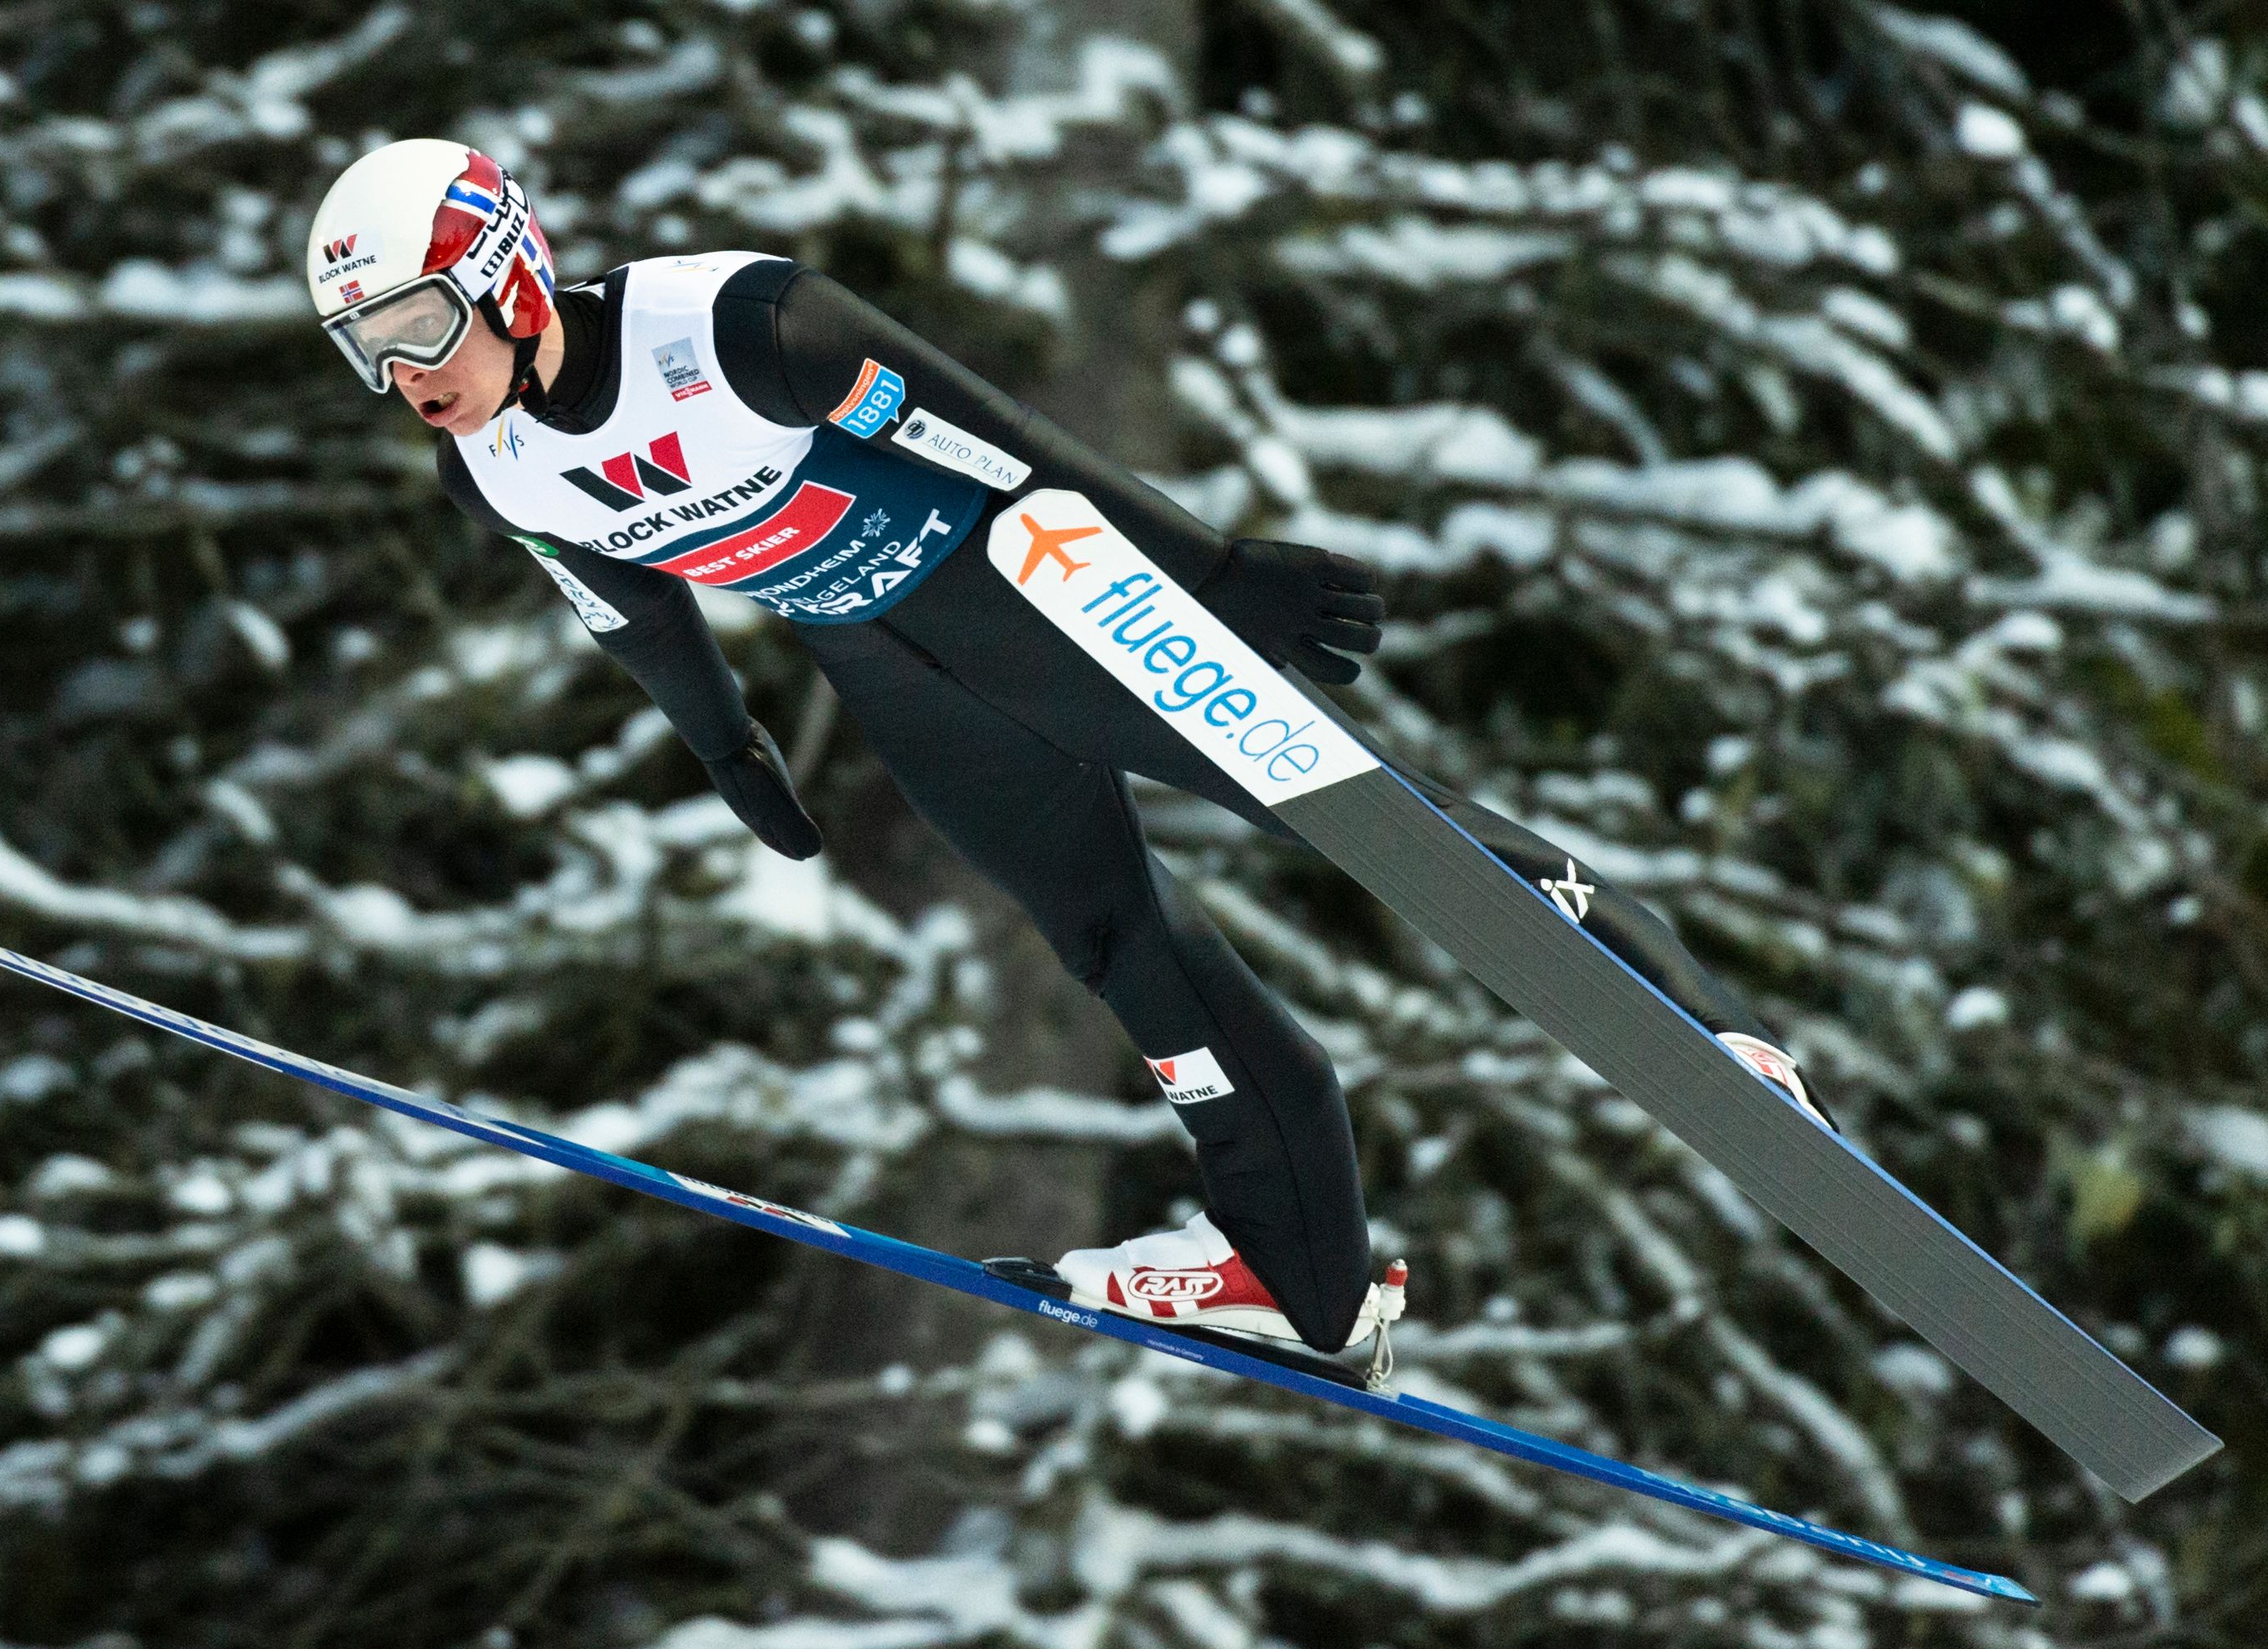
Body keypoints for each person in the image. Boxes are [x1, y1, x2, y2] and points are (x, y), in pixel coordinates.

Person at [305, 140, 1831, 1353]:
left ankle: (1707, 1029)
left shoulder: (742, 328)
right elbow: (630, 612)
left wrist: (1209, 569)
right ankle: (1299, 1278)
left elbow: (1001, 442)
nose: (403, 376)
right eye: (363, 350)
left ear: (508, 275)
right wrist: (726, 749)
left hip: (1044, 600)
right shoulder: (492, 471)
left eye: (416, 325)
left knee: (1363, 821)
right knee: (1118, 943)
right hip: (898, 676)